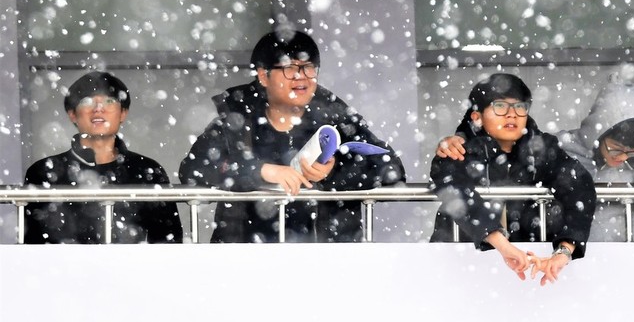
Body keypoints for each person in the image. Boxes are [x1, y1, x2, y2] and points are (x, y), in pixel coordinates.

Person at [178, 28, 406, 243]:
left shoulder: (335, 119)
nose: (301, 77)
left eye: (308, 67)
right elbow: (193, 169)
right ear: (263, 76)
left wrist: (334, 171)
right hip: (245, 259)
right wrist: (260, 171)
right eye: (289, 68)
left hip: (327, 260)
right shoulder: (237, 119)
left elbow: (391, 169)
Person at [429, 73, 596, 286]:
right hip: (461, 266)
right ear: (477, 117)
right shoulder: (456, 150)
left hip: (529, 269)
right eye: (500, 106)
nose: (512, 115)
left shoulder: (542, 148)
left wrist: (563, 252)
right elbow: (455, 193)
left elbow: (580, 188)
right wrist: (502, 245)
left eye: (520, 107)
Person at [23, 71, 183, 244]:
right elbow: (33, 245)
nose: (98, 108)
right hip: (64, 269)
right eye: (87, 101)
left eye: (109, 101)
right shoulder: (44, 171)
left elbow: (168, 244)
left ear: (123, 113)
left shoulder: (146, 170)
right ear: (72, 114)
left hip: (130, 268)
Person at [556, 77, 634, 242]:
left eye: (631, 151)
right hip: (575, 253)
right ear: (597, 134)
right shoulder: (561, 151)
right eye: (616, 148)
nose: (623, 157)